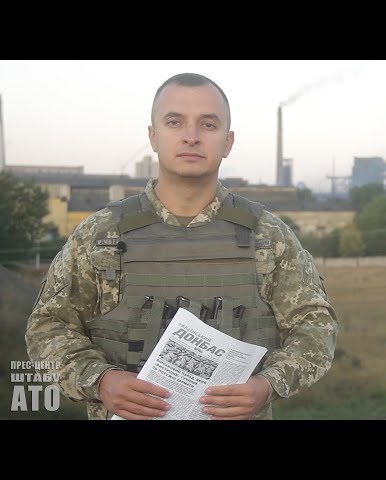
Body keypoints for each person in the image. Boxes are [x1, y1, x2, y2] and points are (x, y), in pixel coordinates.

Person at [25, 73, 338, 420]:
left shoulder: (268, 237)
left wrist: (268, 384)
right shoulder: (100, 236)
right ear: (153, 136)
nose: (191, 136)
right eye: (175, 122)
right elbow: (47, 327)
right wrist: (100, 380)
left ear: (228, 142)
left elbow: (315, 327)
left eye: (208, 124)